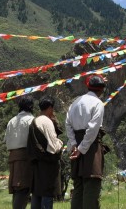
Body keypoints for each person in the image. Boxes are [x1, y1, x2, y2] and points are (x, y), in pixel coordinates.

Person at [66, 74, 108, 209]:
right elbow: (92, 129)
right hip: (91, 147)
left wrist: (74, 145)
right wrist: (81, 149)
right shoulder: (98, 104)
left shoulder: (75, 102)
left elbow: (68, 124)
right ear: (101, 90)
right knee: (91, 185)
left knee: (78, 186)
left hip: (76, 146)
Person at [27, 97, 65, 209]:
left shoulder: (34, 121)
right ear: (49, 108)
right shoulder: (46, 121)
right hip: (47, 164)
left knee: (37, 193)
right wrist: (61, 143)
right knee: (47, 194)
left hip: (37, 164)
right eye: (52, 108)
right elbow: (53, 147)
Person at [5, 96, 35, 209]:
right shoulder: (31, 120)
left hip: (13, 156)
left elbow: (6, 140)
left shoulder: (11, 121)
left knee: (17, 189)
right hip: (25, 157)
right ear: (31, 107)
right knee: (23, 188)